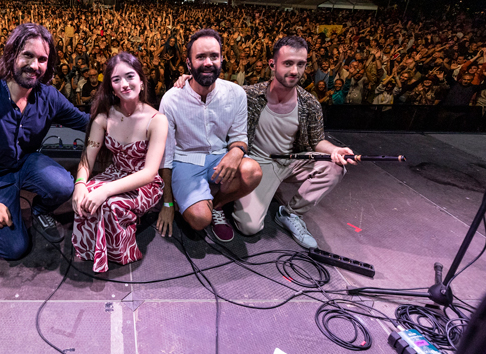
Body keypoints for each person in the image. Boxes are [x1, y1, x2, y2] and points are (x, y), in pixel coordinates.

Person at [0, 23, 90, 260]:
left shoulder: (49, 96)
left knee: (64, 185)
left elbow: (86, 122)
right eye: (27, 55)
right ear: (12, 55)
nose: (35, 65)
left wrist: (134, 121)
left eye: (42, 59)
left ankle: (39, 210)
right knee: (14, 250)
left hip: (24, 163)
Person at [236, 36, 357, 249]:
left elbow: (317, 141)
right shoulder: (249, 95)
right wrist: (188, 78)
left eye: (301, 64)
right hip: (259, 164)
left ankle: (290, 214)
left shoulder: (309, 103)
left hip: (291, 162)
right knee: (249, 228)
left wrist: (335, 150)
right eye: (288, 63)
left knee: (335, 166)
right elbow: (214, 89)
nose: (295, 70)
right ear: (272, 64)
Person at [155, 29, 261, 243]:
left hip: (218, 158)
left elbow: (240, 137)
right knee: (200, 219)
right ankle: (196, 202)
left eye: (214, 56)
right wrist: (167, 204)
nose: (208, 62)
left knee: (252, 171)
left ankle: (217, 203)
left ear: (222, 59)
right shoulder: (172, 99)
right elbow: (166, 155)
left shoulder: (236, 93)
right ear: (188, 62)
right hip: (185, 161)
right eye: (200, 57)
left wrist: (237, 151)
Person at [71, 52, 167, 272]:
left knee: (111, 204)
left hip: (145, 184)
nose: (124, 84)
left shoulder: (157, 120)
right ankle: (89, 250)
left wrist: (105, 191)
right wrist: (79, 184)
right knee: (85, 197)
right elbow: (88, 157)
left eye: (130, 77)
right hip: (115, 173)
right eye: (116, 80)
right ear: (111, 86)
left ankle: (121, 253)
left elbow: (150, 173)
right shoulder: (104, 117)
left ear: (141, 82)